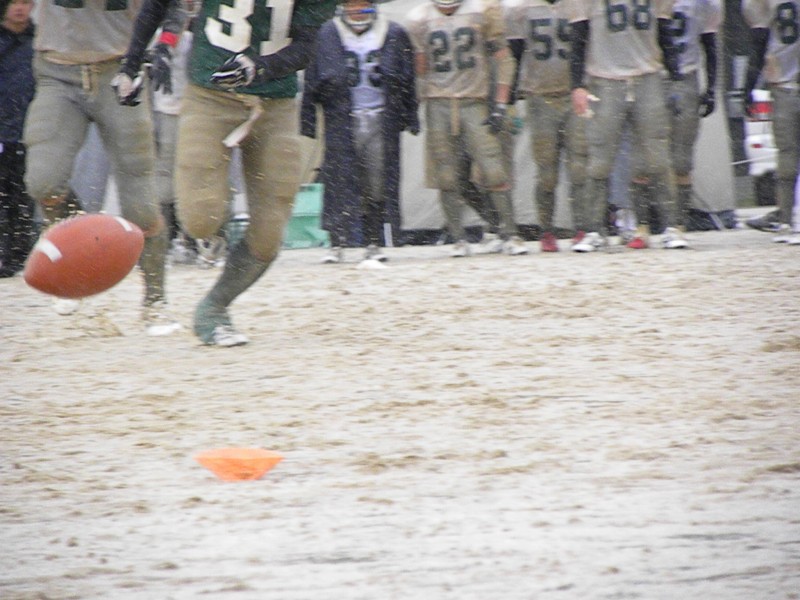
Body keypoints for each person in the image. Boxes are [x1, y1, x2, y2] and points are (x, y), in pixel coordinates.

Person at [118, 0, 337, 346]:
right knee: (200, 218)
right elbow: (159, 4)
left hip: (276, 104)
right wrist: (131, 63)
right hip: (211, 96)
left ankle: (215, 307)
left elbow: (307, 47)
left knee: (269, 235)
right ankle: (215, 224)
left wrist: (259, 67)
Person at [22, 0, 184, 332]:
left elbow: (174, 6)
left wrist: (166, 45)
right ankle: (72, 252)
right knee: (43, 181)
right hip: (57, 72)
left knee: (141, 208)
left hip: (120, 71)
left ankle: (155, 301)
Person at [406, 0, 528, 257]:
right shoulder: (419, 19)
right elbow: (420, 68)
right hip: (438, 103)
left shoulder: (481, 10)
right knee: (447, 177)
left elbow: (505, 60)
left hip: (475, 101)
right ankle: (459, 238)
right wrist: (413, 107)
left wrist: (501, 104)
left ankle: (510, 233)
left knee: (494, 171)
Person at [300, 0, 419, 265]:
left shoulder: (393, 32)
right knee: (338, 183)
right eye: (352, 5)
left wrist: (410, 116)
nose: (357, 11)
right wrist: (307, 120)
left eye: (363, 5)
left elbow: (407, 77)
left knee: (376, 184)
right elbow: (313, 78)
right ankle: (337, 243)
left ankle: (373, 242)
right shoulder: (328, 32)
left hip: (380, 119)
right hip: (341, 119)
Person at [566, 0, 689, 251]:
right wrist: (577, 85)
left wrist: (675, 78)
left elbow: (665, 32)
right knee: (599, 161)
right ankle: (593, 229)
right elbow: (578, 38)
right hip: (604, 79)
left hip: (648, 77)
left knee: (657, 158)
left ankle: (671, 227)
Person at [627, 0, 721, 247]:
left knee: (681, 161)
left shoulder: (702, 4)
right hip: (649, 77)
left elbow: (710, 45)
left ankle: (677, 225)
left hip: (686, 77)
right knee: (642, 160)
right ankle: (642, 226)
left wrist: (711, 88)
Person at [504, 0, 589, 253]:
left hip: (573, 94)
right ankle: (546, 230)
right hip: (539, 96)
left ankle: (583, 228)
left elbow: (586, 47)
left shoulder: (578, 5)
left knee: (579, 168)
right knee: (546, 173)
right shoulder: (519, 9)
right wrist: (510, 101)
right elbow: (515, 55)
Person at [743, 0, 800, 244]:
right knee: (786, 158)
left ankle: (787, 220)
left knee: (787, 157)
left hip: (784, 85)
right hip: (784, 85)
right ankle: (786, 220)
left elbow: (759, 43)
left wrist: (748, 84)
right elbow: (760, 40)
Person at [0, 0, 36, 278]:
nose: (19, 8)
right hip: (3, 130)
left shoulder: (40, 42)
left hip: (30, 131)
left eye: (25, 2)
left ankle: (22, 255)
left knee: (24, 195)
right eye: (14, 2)